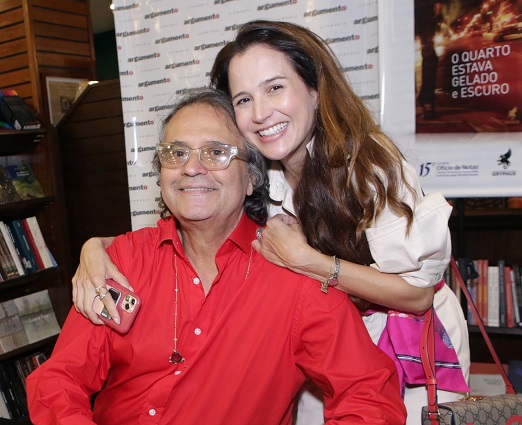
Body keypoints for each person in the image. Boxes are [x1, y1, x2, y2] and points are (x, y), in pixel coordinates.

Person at [71, 20, 470, 425]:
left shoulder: (370, 168)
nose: (261, 113)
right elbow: (190, 227)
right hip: (333, 321)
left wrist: (310, 261)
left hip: (412, 330)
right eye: (244, 99)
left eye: (275, 88)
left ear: (314, 89)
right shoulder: (269, 173)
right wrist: (95, 250)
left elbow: (417, 296)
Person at [27, 89, 406, 425]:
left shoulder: (296, 277)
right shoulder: (122, 261)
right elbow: (59, 381)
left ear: (253, 178)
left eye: (216, 153)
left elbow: (369, 397)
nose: (192, 168)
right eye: (177, 153)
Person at [415, 0, 445, 119]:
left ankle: (427, 100)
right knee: (401, 55)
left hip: (425, 7)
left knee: (429, 54)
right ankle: (412, 98)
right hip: (399, 7)